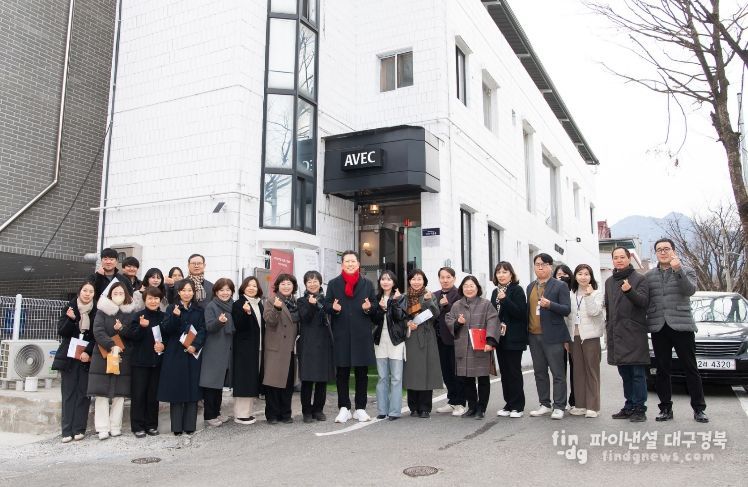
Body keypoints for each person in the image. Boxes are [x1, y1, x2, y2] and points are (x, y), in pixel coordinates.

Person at [646, 238, 708, 423]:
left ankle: (699, 409)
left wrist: (678, 269)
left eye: (666, 249)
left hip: (682, 325)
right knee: (662, 370)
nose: (663, 252)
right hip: (659, 326)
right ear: (656, 253)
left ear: (673, 251)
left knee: (690, 368)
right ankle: (665, 408)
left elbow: (689, 291)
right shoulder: (649, 276)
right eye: (659, 249)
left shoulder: (686, 270)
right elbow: (644, 299)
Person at [325, 251, 377, 423]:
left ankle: (360, 408)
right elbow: (326, 304)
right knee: (342, 373)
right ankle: (344, 408)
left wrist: (369, 308)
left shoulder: (367, 284)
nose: (350, 264)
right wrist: (333, 309)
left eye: (353, 261)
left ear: (358, 264)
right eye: (347, 261)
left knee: (362, 373)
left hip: (361, 334)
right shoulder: (334, 284)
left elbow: (375, 307)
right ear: (342, 264)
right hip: (341, 334)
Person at [87, 282, 141, 440]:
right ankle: (102, 428)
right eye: (115, 293)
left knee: (119, 393)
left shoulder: (131, 312)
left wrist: (121, 329)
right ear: (110, 294)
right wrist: (111, 345)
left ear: (126, 295)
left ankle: (116, 426)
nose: (118, 296)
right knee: (101, 393)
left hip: (123, 355)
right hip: (103, 354)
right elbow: (97, 330)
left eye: (121, 293)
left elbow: (133, 333)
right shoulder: (102, 310)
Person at [605, 247, 650, 422]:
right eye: (616, 257)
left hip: (634, 333)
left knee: (637, 374)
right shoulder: (609, 282)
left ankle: (640, 408)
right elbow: (609, 310)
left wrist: (629, 291)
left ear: (629, 258)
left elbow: (643, 302)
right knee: (625, 374)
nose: (619, 260)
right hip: (616, 334)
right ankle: (629, 405)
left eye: (622, 257)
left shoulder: (640, 279)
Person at [446, 276, 499, 420]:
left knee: (482, 378)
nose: (469, 289)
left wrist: (490, 341)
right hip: (463, 347)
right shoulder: (456, 305)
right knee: (466, 379)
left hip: (481, 347)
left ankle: (481, 408)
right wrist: (458, 322)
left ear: (477, 288)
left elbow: (493, 321)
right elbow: (449, 320)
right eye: (466, 286)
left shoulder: (486, 304)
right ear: (462, 288)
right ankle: (472, 406)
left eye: (472, 286)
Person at [158, 279, 206, 436]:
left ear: (194, 292)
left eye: (190, 290)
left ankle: (190, 425)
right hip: (175, 352)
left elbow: (203, 330)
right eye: (184, 290)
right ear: (178, 292)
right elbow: (167, 329)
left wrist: (195, 345)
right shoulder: (171, 308)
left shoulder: (199, 310)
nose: (187, 293)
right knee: (176, 389)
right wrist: (175, 316)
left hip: (192, 353)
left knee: (192, 389)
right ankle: (177, 427)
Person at [527, 253, 571, 420]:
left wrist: (550, 305)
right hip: (533, 335)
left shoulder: (560, 285)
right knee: (539, 372)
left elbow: (566, 309)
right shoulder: (530, 287)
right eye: (537, 264)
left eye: (544, 264)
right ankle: (544, 404)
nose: (540, 267)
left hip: (553, 336)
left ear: (550, 267)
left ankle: (559, 406)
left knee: (557, 372)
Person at [52, 282, 96, 443]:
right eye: (85, 290)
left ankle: (79, 428)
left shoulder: (96, 311)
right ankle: (66, 430)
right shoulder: (70, 308)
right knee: (68, 393)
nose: (87, 294)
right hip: (69, 357)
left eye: (91, 291)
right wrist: (71, 320)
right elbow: (62, 331)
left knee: (83, 394)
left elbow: (96, 335)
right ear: (79, 292)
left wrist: (88, 351)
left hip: (85, 358)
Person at [565, 264, 604, 419]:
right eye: (580, 274)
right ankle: (580, 405)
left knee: (591, 371)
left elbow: (594, 312)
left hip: (590, 337)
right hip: (574, 337)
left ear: (591, 277)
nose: (583, 277)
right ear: (575, 277)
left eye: (586, 274)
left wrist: (588, 296)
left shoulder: (597, 293)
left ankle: (593, 407)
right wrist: (566, 339)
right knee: (578, 371)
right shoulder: (571, 294)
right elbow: (567, 318)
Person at [490, 262, 528, 418]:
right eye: (498, 272)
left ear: (511, 274)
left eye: (504, 272)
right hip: (500, 338)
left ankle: (518, 406)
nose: (501, 275)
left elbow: (521, 313)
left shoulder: (517, 290)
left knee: (514, 372)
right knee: (504, 373)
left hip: (514, 338)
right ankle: (509, 404)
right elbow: (493, 315)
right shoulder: (495, 291)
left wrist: (505, 299)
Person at [402, 269, 442, 418]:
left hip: (427, 335)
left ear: (424, 281)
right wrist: (407, 323)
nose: (416, 282)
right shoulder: (404, 297)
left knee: (426, 371)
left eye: (419, 279)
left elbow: (436, 314)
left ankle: (425, 407)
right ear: (409, 281)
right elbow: (399, 317)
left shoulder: (429, 295)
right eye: (413, 279)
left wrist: (428, 301)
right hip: (411, 336)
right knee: (412, 371)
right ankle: (413, 406)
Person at [297, 271, 335, 423]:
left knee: (321, 380)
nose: (312, 284)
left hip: (324, 343)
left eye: (315, 281)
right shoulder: (301, 301)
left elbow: (333, 316)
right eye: (309, 281)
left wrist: (335, 309)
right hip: (307, 343)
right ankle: (306, 411)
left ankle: (318, 410)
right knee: (307, 380)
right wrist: (312, 306)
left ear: (320, 283)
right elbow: (305, 318)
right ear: (305, 284)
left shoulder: (326, 300)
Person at [128, 286, 166, 437]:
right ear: (144, 300)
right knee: (138, 394)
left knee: (153, 395)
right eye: (150, 298)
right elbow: (132, 336)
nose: (153, 301)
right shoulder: (138, 316)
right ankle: (137, 426)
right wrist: (142, 327)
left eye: (156, 298)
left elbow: (169, 336)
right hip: (140, 362)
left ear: (160, 300)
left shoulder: (164, 317)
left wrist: (164, 346)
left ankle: (151, 425)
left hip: (157, 361)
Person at [263, 273, 300, 424]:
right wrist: (277, 309)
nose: (286, 286)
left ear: (293, 286)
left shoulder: (296, 302)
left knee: (287, 383)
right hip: (276, 347)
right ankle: (272, 415)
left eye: (289, 284)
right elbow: (269, 321)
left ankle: (285, 414)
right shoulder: (272, 301)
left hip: (290, 348)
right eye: (283, 284)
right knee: (273, 382)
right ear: (277, 286)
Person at [200, 278, 236, 427]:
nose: (225, 293)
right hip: (213, 349)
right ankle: (209, 415)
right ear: (216, 291)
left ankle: (217, 412)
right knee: (210, 383)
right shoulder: (211, 306)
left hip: (227, 349)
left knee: (219, 384)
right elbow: (209, 327)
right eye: (221, 290)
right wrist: (219, 322)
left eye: (228, 290)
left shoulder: (233, 306)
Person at [371, 271, 407, 420]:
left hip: (396, 340)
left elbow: (400, 317)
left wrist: (396, 302)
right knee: (382, 377)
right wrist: (380, 308)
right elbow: (374, 319)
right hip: (380, 340)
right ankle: (382, 409)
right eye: (383, 279)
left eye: (389, 279)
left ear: (394, 282)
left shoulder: (400, 297)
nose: (385, 282)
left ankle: (394, 411)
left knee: (396, 377)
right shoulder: (376, 298)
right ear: (379, 282)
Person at [433, 267, 466, 416]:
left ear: (454, 278)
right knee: (446, 372)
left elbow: (460, 315)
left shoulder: (459, 294)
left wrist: (447, 305)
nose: (445, 280)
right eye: (442, 277)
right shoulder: (435, 295)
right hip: (439, 339)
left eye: (448, 277)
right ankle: (452, 400)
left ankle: (461, 403)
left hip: (455, 338)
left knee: (457, 372)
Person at [231, 276, 264, 425]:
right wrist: (246, 313)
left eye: (254, 286)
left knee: (251, 379)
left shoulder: (258, 304)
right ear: (243, 287)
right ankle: (240, 415)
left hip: (257, 347)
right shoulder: (238, 304)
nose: (252, 288)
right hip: (244, 349)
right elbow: (239, 326)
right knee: (244, 379)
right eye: (249, 285)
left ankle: (247, 412)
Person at [554, 263, 575, 408]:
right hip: (558, 335)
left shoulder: (574, 292)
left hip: (573, 335)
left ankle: (574, 400)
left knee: (575, 369)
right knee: (560, 371)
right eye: (559, 274)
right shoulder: (552, 292)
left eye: (565, 274)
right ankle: (562, 400)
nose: (562, 277)